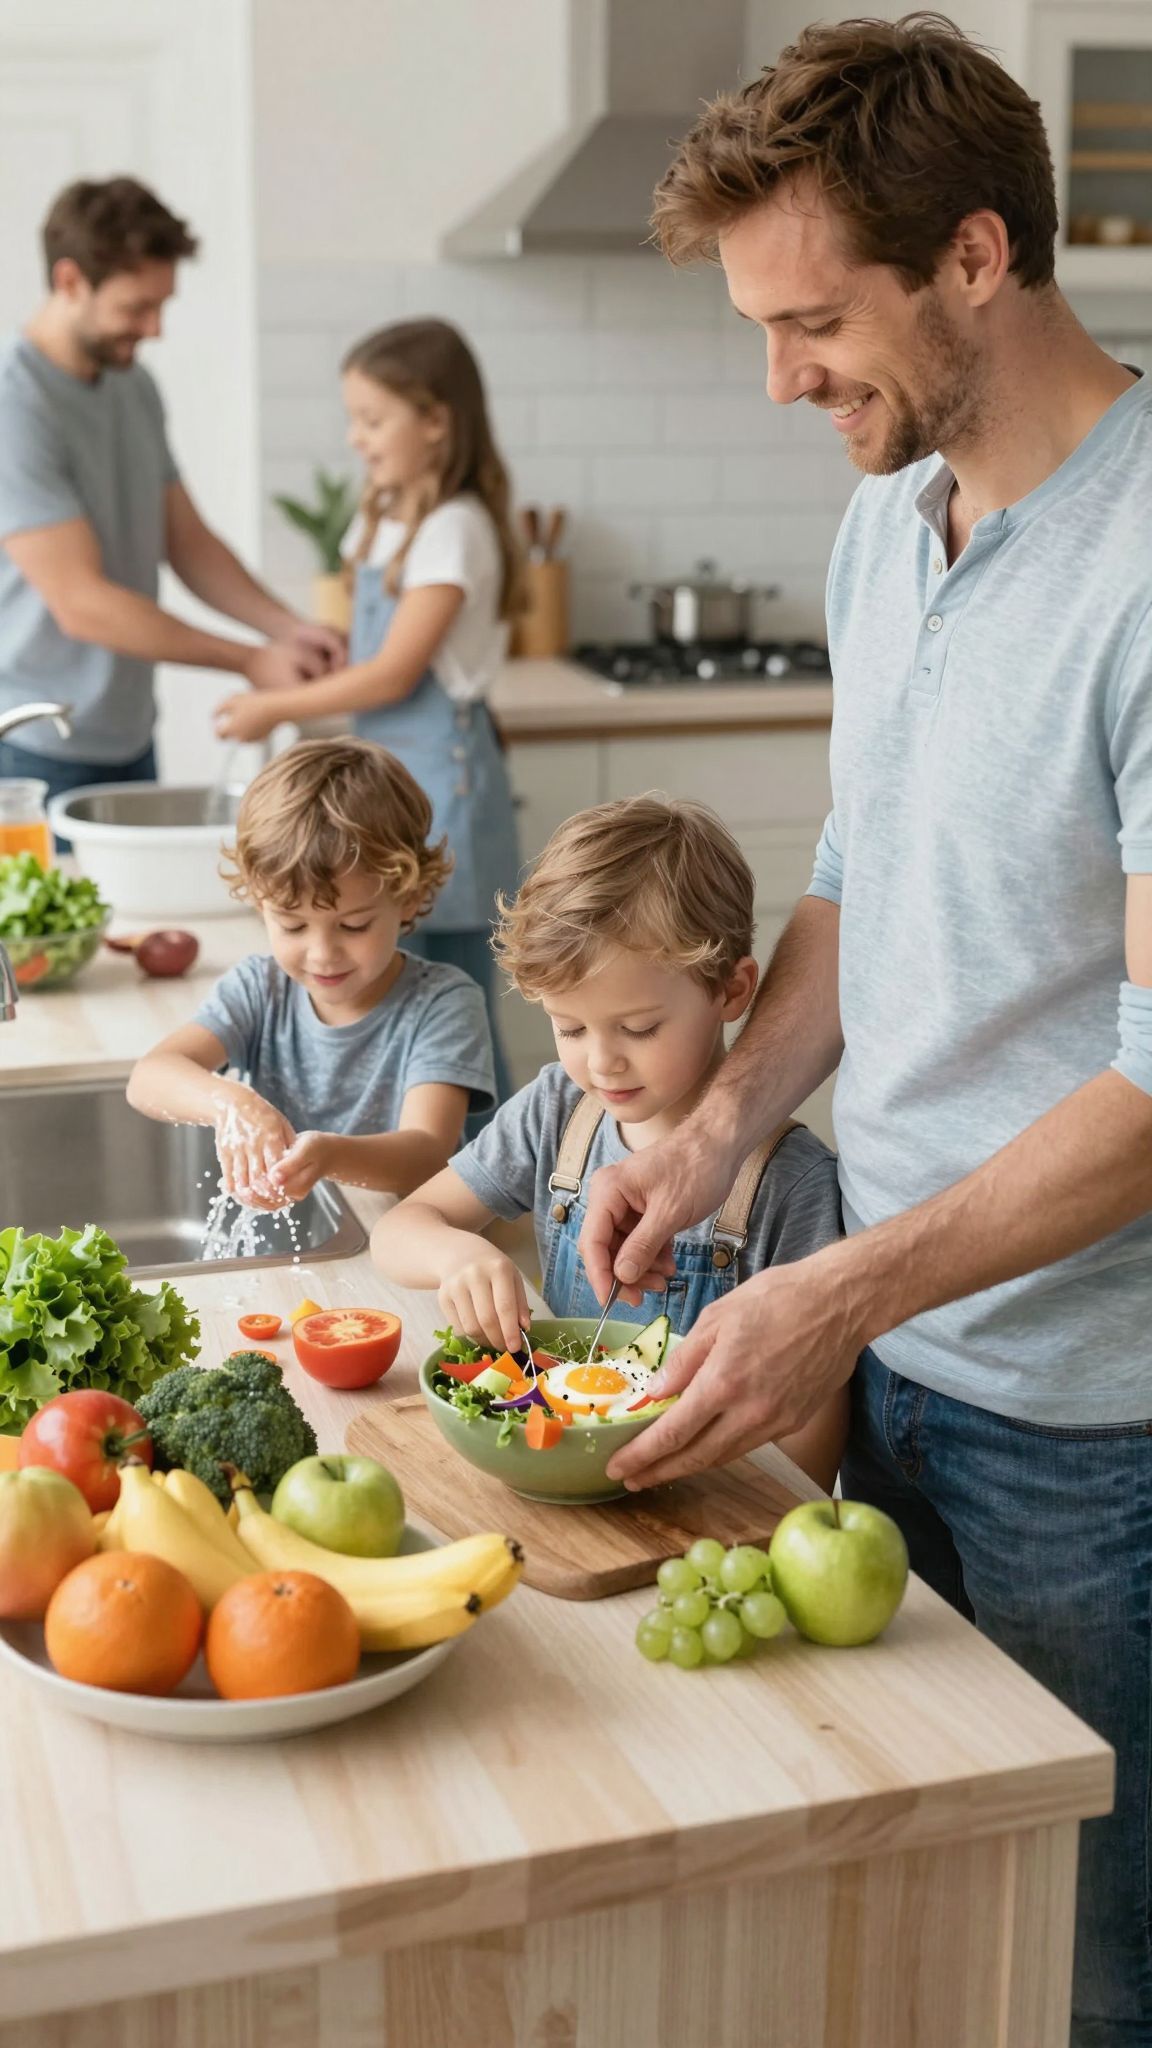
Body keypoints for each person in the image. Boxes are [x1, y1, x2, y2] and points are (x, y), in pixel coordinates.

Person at [574, 17, 1152, 2043]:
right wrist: (724, 1130)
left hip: (1096, 1435)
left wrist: (828, 1297)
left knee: (1086, 1971)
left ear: (978, 257)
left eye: (814, 320)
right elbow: (858, 882)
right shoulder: (883, 523)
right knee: (899, 1931)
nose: (779, 378)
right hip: (888, 1361)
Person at [372, 796, 846, 1491]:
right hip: (563, 1470)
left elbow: (817, 1405)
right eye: (571, 1029)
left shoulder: (790, 1181)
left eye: (640, 1028)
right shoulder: (558, 1112)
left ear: (733, 990)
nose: (602, 1063)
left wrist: (760, 1510)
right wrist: (458, 1254)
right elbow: (399, 1229)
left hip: (704, 1492)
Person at [214, 317, 525, 1105]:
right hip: (387, 787)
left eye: (373, 418)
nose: (356, 438)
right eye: (352, 417)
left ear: (435, 421)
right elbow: (367, 658)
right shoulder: (386, 518)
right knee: (379, 999)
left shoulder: (454, 528)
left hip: (445, 791)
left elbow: (391, 675)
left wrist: (274, 707)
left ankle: (485, 1181)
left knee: (454, 1008)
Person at [0, 176, 341, 797]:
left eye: (162, 305)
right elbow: (80, 603)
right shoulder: (14, 403)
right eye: (137, 308)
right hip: (36, 746)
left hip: (127, 732)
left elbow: (186, 542)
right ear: (71, 281)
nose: (154, 329)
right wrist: (247, 660)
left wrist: (285, 629)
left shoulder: (132, 385)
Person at [127, 737, 495, 1207]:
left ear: (409, 898)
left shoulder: (444, 1003)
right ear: (260, 904)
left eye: (353, 925)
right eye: (292, 924)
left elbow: (426, 1152)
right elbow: (149, 1078)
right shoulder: (259, 989)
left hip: (406, 1238)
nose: (322, 953)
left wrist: (328, 1156)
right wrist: (232, 1103)